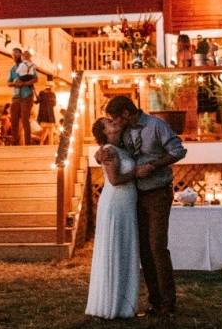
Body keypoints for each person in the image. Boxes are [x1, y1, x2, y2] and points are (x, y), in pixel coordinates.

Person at [96, 96, 187, 321]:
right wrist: (99, 153)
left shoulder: (156, 126)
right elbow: (113, 150)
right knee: (144, 251)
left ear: (126, 113)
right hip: (135, 197)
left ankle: (168, 304)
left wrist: (153, 165)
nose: (115, 122)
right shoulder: (125, 132)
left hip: (157, 193)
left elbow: (178, 150)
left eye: (116, 117)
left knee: (157, 247)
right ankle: (154, 302)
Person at [86, 117, 140, 319]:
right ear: (104, 132)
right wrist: (137, 173)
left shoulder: (121, 146)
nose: (114, 122)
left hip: (126, 203)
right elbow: (115, 179)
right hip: (116, 203)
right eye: (109, 122)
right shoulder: (108, 149)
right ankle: (112, 304)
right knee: (115, 247)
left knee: (124, 247)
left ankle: (123, 303)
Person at [8, 48, 37, 145]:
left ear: (21, 55)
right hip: (15, 96)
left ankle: (28, 143)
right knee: (14, 120)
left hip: (26, 95)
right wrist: (14, 83)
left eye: (17, 54)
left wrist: (23, 83)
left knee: (25, 119)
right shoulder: (12, 69)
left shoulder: (28, 65)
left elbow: (35, 79)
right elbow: (8, 83)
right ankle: (15, 143)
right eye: (13, 54)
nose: (15, 56)